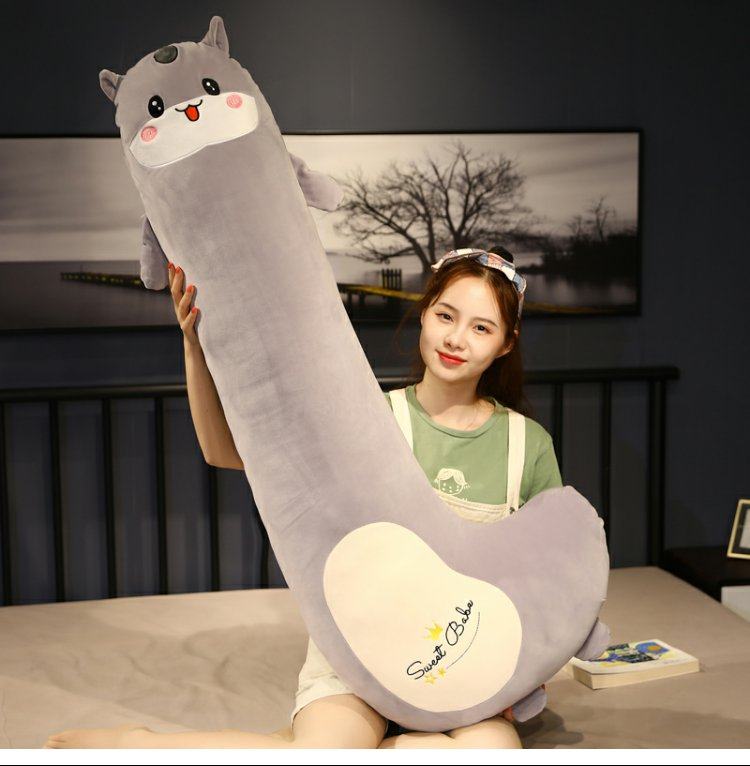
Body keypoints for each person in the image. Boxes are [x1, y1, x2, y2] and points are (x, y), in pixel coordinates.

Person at [43, 247, 559, 749]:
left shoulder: (525, 445)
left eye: (481, 328)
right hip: (357, 657)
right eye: (446, 315)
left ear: (506, 344)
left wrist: (520, 674)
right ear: (424, 314)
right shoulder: (368, 420)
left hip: (462, 667)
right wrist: (193, 347)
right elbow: (224, 451)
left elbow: (551, 582)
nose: (456, 338)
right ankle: (138, 744)